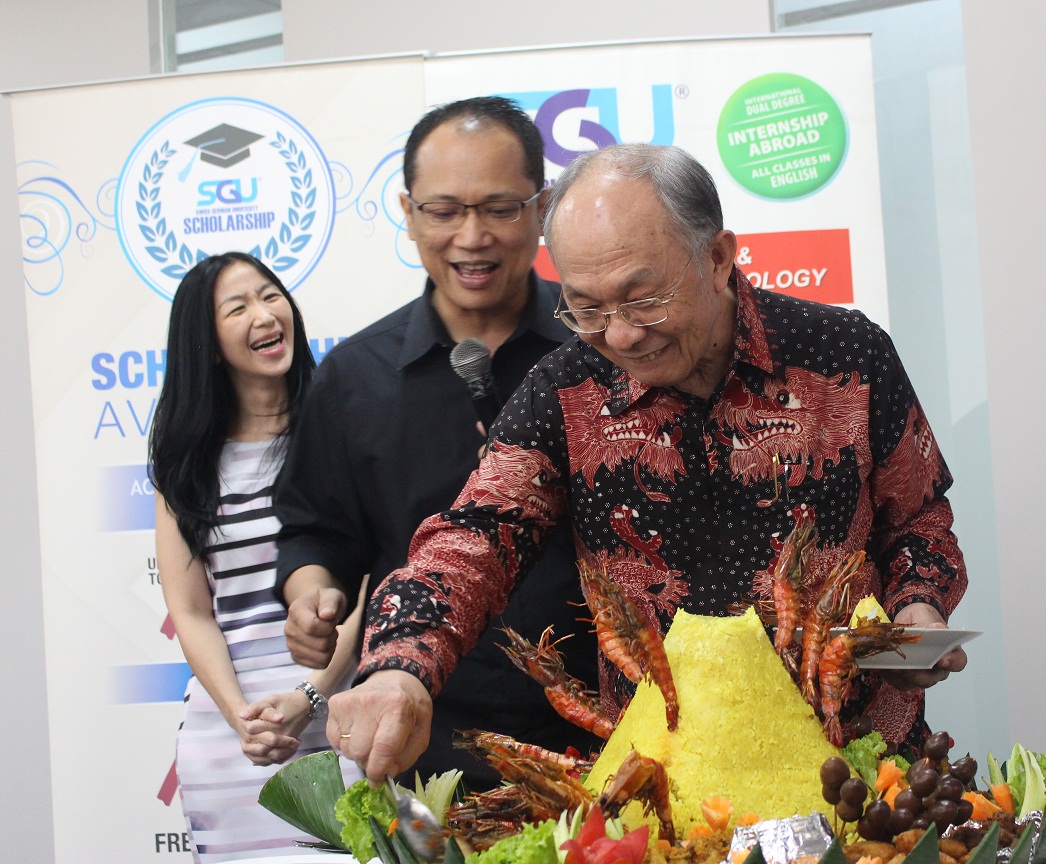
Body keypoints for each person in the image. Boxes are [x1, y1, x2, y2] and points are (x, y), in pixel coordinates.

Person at [327, 143, 971, 785]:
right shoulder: (564, 389)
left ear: (718, 258)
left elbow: (918, 517)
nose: (621, 335)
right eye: (586, 308)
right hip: (668, 783)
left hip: (859, 771)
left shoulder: (845, 353)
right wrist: (398, 664)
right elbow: (475, 537)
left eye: (643, 300)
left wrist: (918, 605)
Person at [273, 97, 601, 789]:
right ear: (408, 212)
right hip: (423, 740)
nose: (471, 236)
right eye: (445, 211)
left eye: (499, 208)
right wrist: (314, 596)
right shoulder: (353, 377)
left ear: (541, 210)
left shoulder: (604, 351)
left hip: (604, 733)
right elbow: (316, 531)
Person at [150, 252, 361, 863]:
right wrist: (244, 718)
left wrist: (308, 699)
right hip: (231, 743)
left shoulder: (342, 432)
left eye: (270, 296)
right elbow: (191, 613)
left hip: (342, 727)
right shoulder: (184, 466)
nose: (264, 314)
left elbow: (369, 592)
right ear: (209, 344)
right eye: (237, 307)